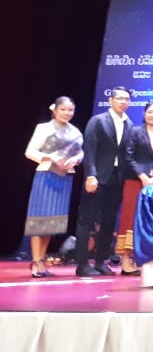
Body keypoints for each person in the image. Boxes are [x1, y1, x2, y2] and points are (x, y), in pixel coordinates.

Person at [74, 86, 133, 277]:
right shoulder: (98, 120)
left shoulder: (129, 124)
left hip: (117, 179)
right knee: (87, 220)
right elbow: (89, 149)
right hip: (97, 177)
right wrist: (90, 175)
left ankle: (101, 262)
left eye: (126, 99)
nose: (123, 102)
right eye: (120, 98)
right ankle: (82, 264)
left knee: (109, 221)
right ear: (111, 100)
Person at [23, 96, 83, 278]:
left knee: (52, 222)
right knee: (39, 221)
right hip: (46, 176)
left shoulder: (75, 132)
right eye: (63, 109)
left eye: (70, 110)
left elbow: (80, 152)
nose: (67, 113)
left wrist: (76, 159)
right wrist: (49, 157)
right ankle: (36, 261)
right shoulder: (44, 128)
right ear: (54, 110)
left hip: (64, 178)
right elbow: (29, 152)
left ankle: (42, 259)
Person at [116, 100, 153, 276]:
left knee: (147, 219)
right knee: (129, 218)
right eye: (150, 112)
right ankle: (125, 261)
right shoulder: (135, 131)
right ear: (144, 114)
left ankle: (142, 259)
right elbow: (128, 156)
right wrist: (142, 176)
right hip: (134, 181)